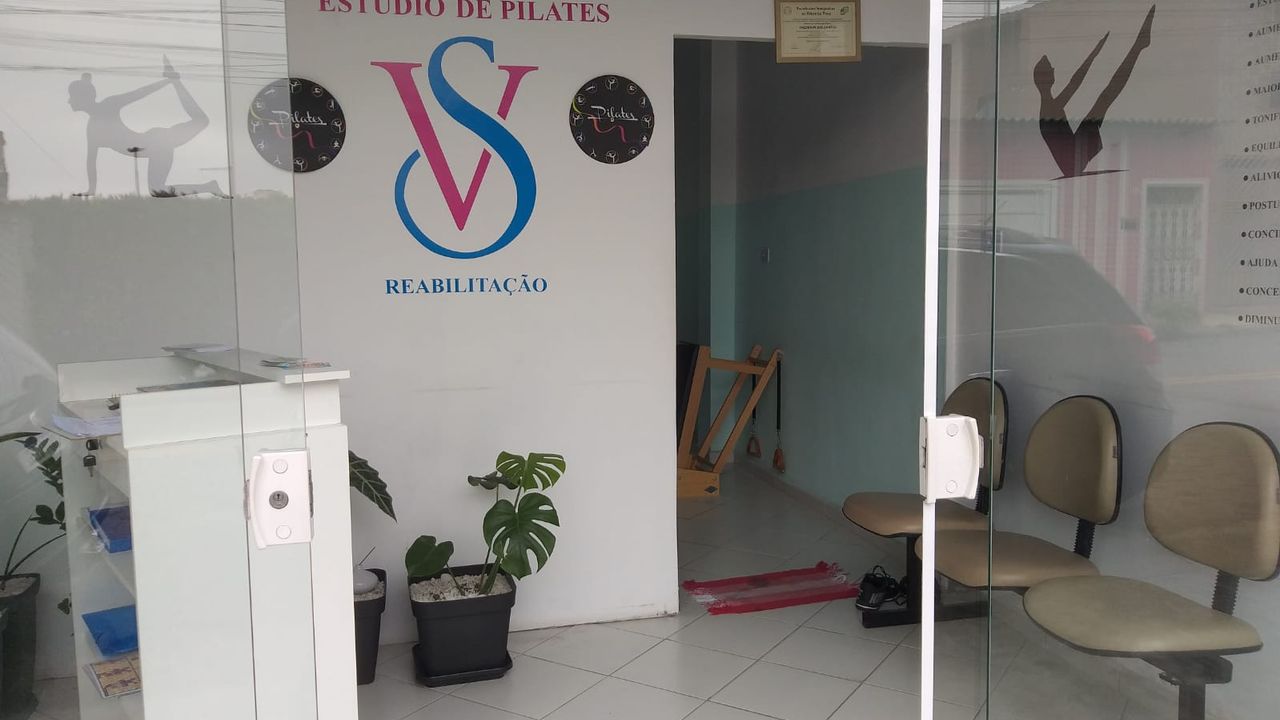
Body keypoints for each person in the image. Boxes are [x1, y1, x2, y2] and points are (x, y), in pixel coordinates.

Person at [69, 57, 225, 197]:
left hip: (157, 143)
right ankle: (209, 187)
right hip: (156, 142)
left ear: (82, 98)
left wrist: (168, 81)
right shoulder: (93, 129)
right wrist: (91, 189)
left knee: (201, 121)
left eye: (72, 97)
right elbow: (90, 163)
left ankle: (209, 187)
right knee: (201, 121)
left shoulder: (107, 107)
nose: (69, 101)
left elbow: (139, 93)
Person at [1036, 5, 1155, 179]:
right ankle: (1137, 47)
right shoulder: (1049, 107)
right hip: (1073, 161)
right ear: (1044, 78)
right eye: (1050, 68)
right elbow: (1075, 83)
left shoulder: (1049, 104)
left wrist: (1095, 53)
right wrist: (1094, 54)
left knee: (1104, 98)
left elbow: (1075, 83)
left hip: (1074, 156)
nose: (1053, 69)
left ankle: (1138, 46)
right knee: (1104, 98)